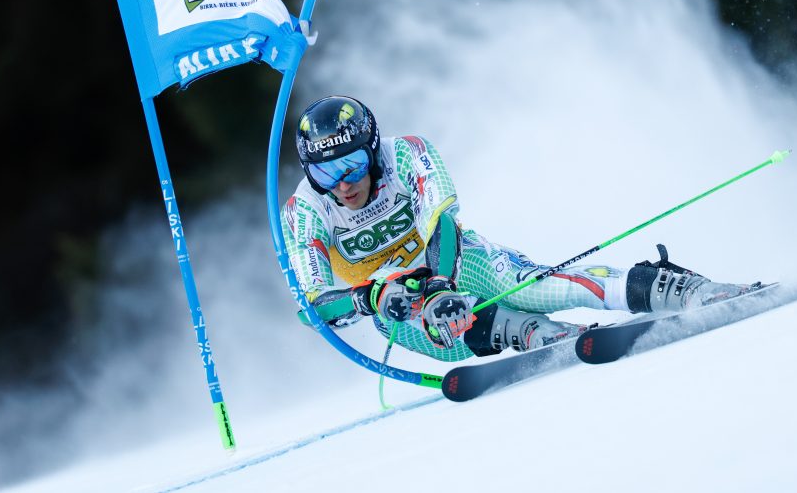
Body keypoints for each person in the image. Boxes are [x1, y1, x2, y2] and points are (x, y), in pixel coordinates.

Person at [282, 95, 755, 362]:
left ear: (371, 147)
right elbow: (312, 305)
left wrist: (443, 284)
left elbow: (444, 223)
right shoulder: (304, 210)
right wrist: (373, 297)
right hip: (400, 301)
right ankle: (533, 335)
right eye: (325, 173)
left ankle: (678, 288)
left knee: (533, 287)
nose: (342, 184)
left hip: (455, 263)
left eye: (352, 165)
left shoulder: (406, 153)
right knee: (431, 333)